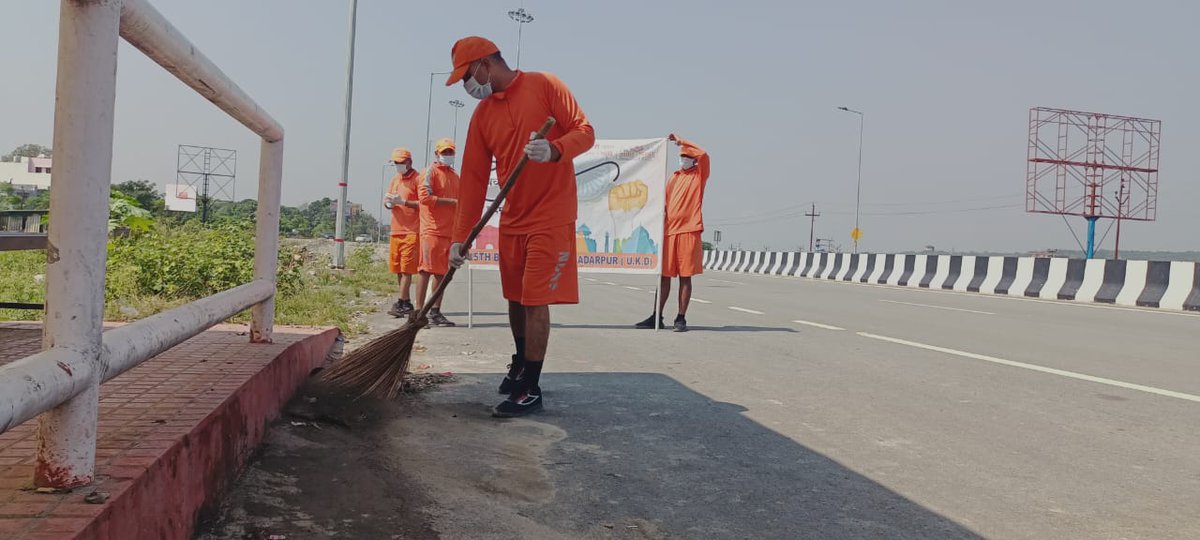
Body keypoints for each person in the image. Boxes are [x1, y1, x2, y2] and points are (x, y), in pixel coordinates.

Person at [445, 36, 595, 417]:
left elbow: (585, 130)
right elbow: (475, 180)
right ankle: (520, 363)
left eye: (467, 76)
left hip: (552, 215)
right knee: (514, 296)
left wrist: (556, 149)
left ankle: (530, 388)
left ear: (484, 64)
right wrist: (459, 238)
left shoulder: (545, 84)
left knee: (534, 299)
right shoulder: (482, 117)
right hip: (513, 217)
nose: (467, 85)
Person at [635, 134, 710, 332]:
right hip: (669, 232)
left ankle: (681, 318)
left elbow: (703, 154)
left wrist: (682, 141)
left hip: (689, 231)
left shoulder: (699, 176)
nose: (683, 158)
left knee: (685, 277)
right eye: (681, 155)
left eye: (686, 155)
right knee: (664, 276)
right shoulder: (673, 178)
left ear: (693, 159)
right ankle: (656, 317)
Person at [415, 138, 460, 327]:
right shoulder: (429, 172)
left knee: (443, 274)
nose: (447, 155)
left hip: (449, 232)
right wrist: (451, 202)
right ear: (436, 154)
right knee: (425, 271)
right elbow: (424, 197)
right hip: (431, 230)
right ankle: (419, 312)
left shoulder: (455, 176)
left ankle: (435, 311)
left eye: (450, 152)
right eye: (445, 152)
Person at [384, 147, 421, 317]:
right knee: (398, 268)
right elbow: (389, 198)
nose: (398, 166)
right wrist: (389, 203)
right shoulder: (395, 180)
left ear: (409, 162)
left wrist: (405, 202)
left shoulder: (418, 179)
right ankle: (405, 301)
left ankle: (401, 302)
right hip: (396, 229)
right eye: (396, 163)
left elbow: (424, 204)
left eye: (400, 162)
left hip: (412, 230)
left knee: (407, 269)